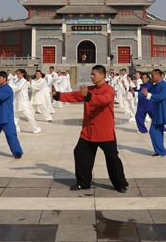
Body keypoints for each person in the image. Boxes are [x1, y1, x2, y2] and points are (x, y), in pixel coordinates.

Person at [51, 64, 128, 193]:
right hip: (88, 131)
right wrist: (57, 95)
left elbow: (103, 100)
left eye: (94, 74)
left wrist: (88, 96)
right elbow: (75, 96)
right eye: (91, 74)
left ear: (102, 76)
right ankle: (83, 182)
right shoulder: (89, 90)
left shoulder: (109, 90)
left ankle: (120, 183)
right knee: (80, 152)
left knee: (113, 158)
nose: (92, 76)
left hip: (104, 132)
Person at [12, 69, 41, 134]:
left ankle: (36, 128)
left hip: (23, 102)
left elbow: (17, 88)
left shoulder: (24, 81)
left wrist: (9, 86)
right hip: (16, 102)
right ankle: (16, 128)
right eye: (17, 74)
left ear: (22, 74)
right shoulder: (17, 81)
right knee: (15, 117)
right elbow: (15, 87)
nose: (17, 75)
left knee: (29, 116)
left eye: (19, 74)